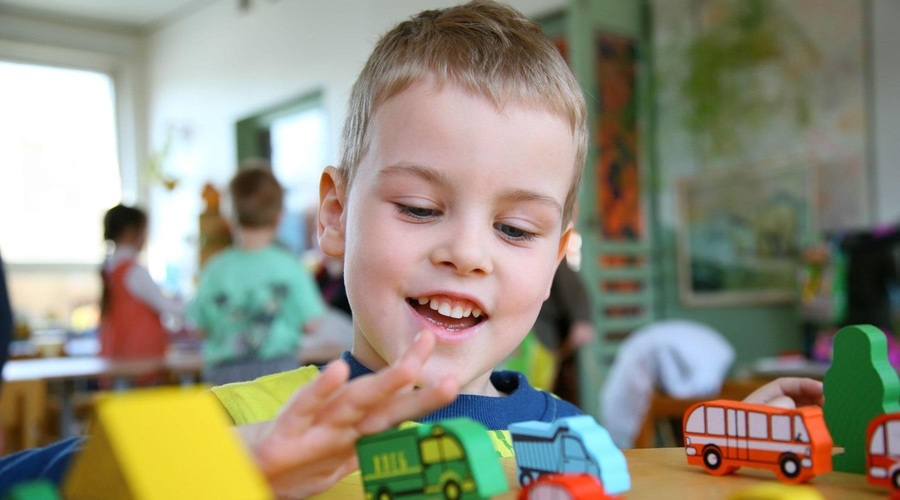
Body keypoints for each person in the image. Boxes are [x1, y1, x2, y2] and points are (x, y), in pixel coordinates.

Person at [0, 2, 822, 497]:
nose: (468, 253)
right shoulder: (248, 418)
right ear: (334, 216)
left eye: (515, 229)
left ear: (558, 258)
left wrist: (735, 452)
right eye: (422, 207)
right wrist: (238, 467)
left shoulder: (571, 432)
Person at [187, 167, 326, 385]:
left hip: (224, 376)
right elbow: (312, 323)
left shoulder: (214, 268)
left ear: (228, 217)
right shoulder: (290, 267)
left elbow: (198, 327)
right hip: (280, 372)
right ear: (279, 216)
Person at [98, 204, 182, 372]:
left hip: (119, 352)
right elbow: (165, 305)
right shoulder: (133, 271)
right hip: (141, 356)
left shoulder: (111, 268)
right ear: (131, 232)